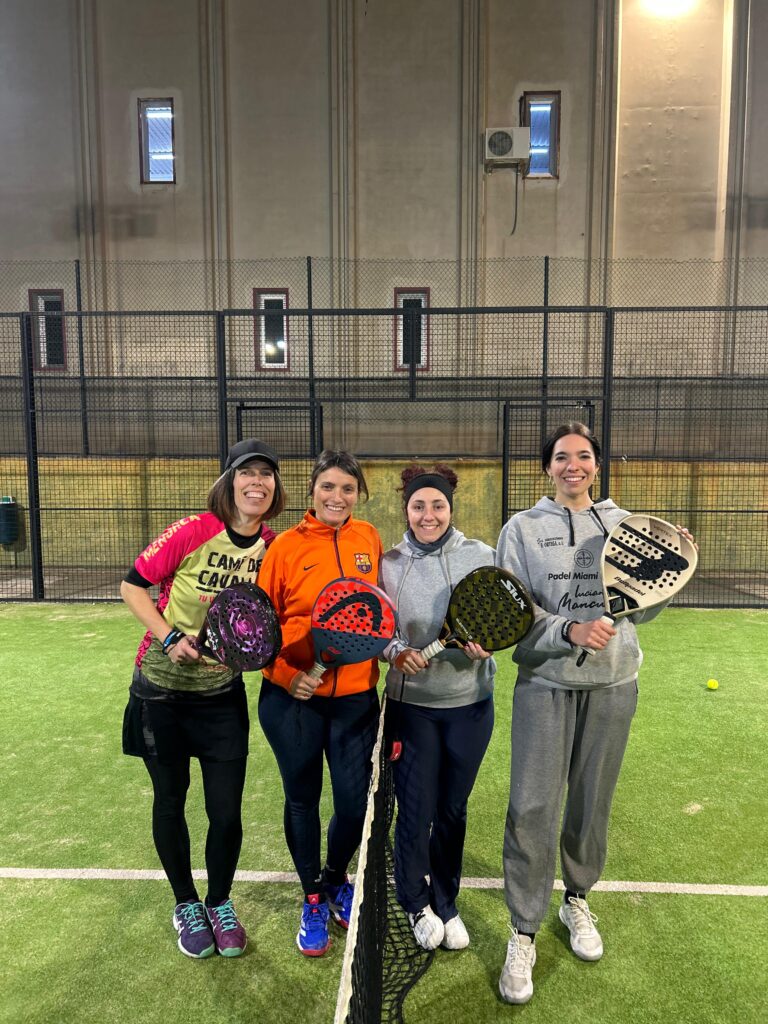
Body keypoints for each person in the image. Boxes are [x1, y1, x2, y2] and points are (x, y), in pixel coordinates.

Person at [495, 421, 697, 1004]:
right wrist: (569, 630)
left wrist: (670, 567)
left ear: (597, 465)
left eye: (583, 456)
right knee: (532, 805)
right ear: (548, 467)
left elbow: (643, 609)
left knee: (591, 802)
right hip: (544, 684)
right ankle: (523, 929)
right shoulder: (521, 529)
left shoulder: (625, 525)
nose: (573, 466)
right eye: (561, 457)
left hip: (614, 685)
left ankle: (577, 899)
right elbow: (513, 611)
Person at [120, 439, 285, 959]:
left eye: (266, 475)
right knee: (170, 800)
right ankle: (186, 903)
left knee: (226, 813)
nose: (257, 483)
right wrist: (170, 636)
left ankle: (218, 902)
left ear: (275, 487)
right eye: (247, 473)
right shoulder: (193, 530)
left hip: (220, 697)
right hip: (161, 692)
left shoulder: (273, 547)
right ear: (229, 481)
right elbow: (132, 586)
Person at [256, 449, 384, 957]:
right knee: (302, 800)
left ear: (359, 495)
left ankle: (334, 877)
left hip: (355, 700)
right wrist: (288, 677)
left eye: (348, 489)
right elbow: (260, 633)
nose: (337, 497)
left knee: (354, 803)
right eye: (328, 486)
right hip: (293, 702)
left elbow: (376, 614)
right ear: (312, 490)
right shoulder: (284, 548)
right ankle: (312, 897)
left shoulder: (368, 538)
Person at [379, 464, 495, 952]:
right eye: (418, 505)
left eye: (438, 505)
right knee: (416, 808)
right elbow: (377, 628)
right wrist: (394, 651)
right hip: (412, 709)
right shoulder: (387, 563)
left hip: (471, 707)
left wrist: (489, 646)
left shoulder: (482, 556)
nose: (429, 515)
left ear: (451, 507)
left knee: (452, 809)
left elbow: (499, 616)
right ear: (405, 509)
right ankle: (414, 901)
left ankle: (446, 901)